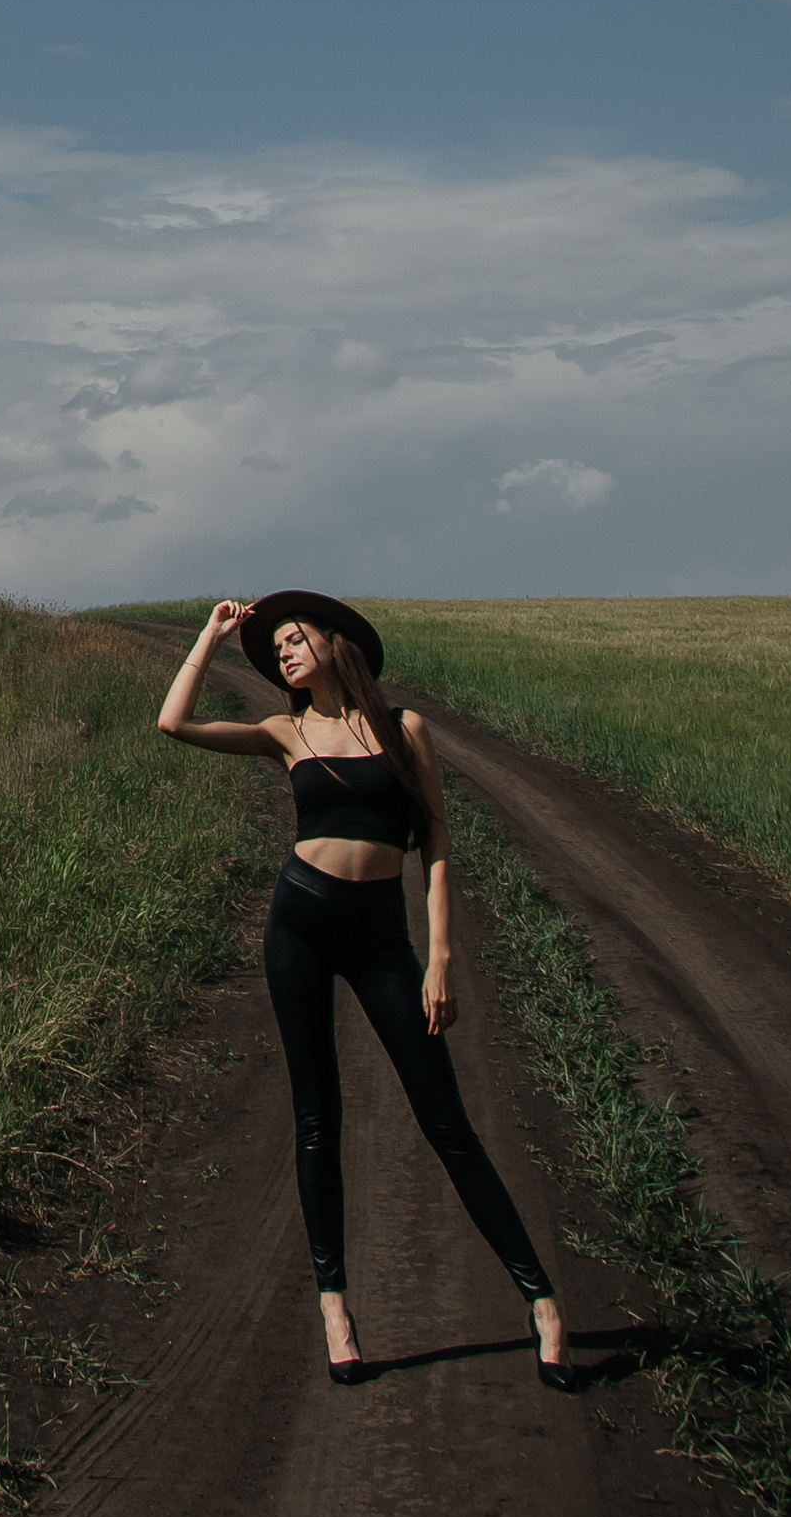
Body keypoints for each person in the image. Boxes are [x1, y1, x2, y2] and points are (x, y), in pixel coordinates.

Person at [158, 590, 580, 1390]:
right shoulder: (287, 731)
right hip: (300, 927)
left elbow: (438, 845)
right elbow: (172, 725)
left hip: (384, 939)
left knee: (446, 1121)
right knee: (318, 1116)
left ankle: (544, 1304)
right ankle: (335, 1308)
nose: (282, 651)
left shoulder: (404, 729)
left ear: (336, 641)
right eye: (274, 645)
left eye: (293, 638)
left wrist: (442, 955)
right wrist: (211, 637)